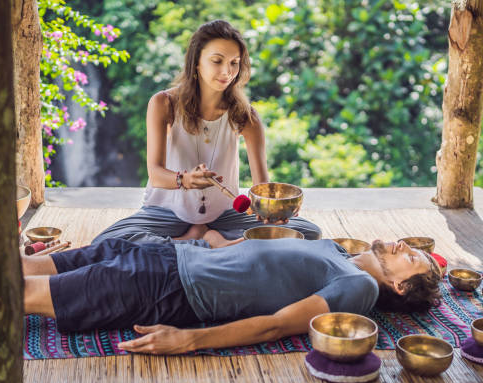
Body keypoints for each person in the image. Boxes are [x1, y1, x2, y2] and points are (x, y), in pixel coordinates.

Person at [23, 231, 442, 355]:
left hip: (168, 289)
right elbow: (253, 258)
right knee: (22, 268)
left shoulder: (360, 288)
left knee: (19, 291)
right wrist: (215, 241)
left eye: (413, 258)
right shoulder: (334, 250)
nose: (405, 246)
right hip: (168, 255)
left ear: (399, 285)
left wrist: (190, 339)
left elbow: (276, 326)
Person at [92, 20, 321, 244]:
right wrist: (187, 179)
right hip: (167, 212)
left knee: (308, 232)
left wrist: (270, 211)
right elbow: (156, 174)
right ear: (197, 63)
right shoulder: (164, 103)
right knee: (107, 241)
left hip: (225, 216)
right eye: (217, 61)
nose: (227, 71)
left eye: (234, 62)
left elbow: (261, 187)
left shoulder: (246, 116)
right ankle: (202, 241)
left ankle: (194, 242)